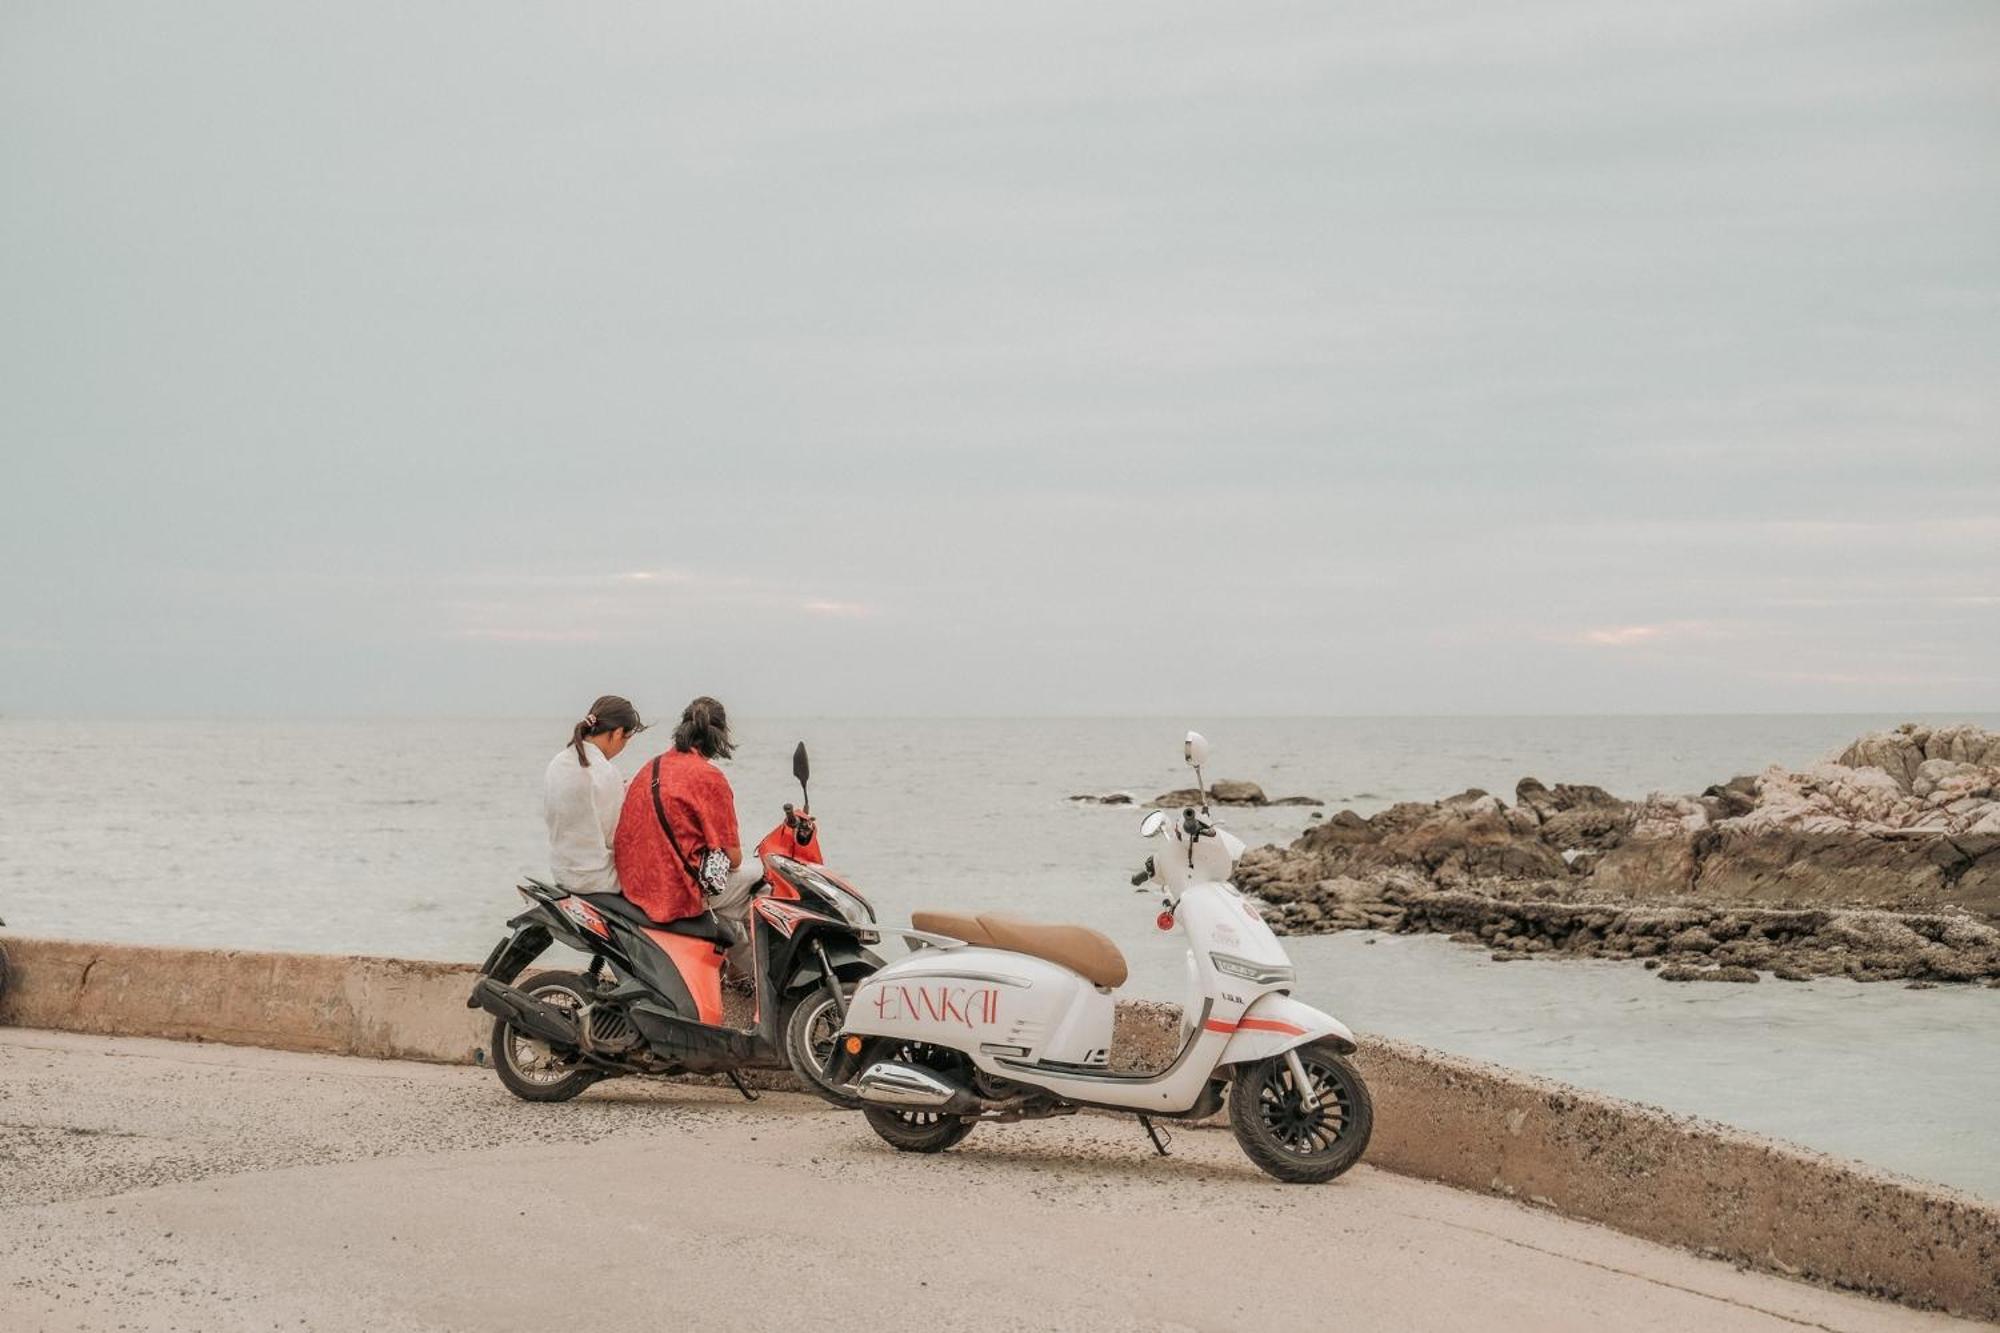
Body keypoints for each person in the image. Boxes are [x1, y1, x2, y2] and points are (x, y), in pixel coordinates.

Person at [613, 695, 758, 980]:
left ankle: (737, 972)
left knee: (729, 914)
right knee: (766, 887)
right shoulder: (709, 777)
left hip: (635, 886)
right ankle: (769, 982)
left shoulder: (651, 767)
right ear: (719, 736)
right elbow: (734, 858)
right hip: (676, 892)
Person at [543, 695, 644, 895]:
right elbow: (616, 838)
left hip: (561, 873)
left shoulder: (558, 762)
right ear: (617, 733)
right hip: (595, 880)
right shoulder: (605, 772)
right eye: (626, 739)